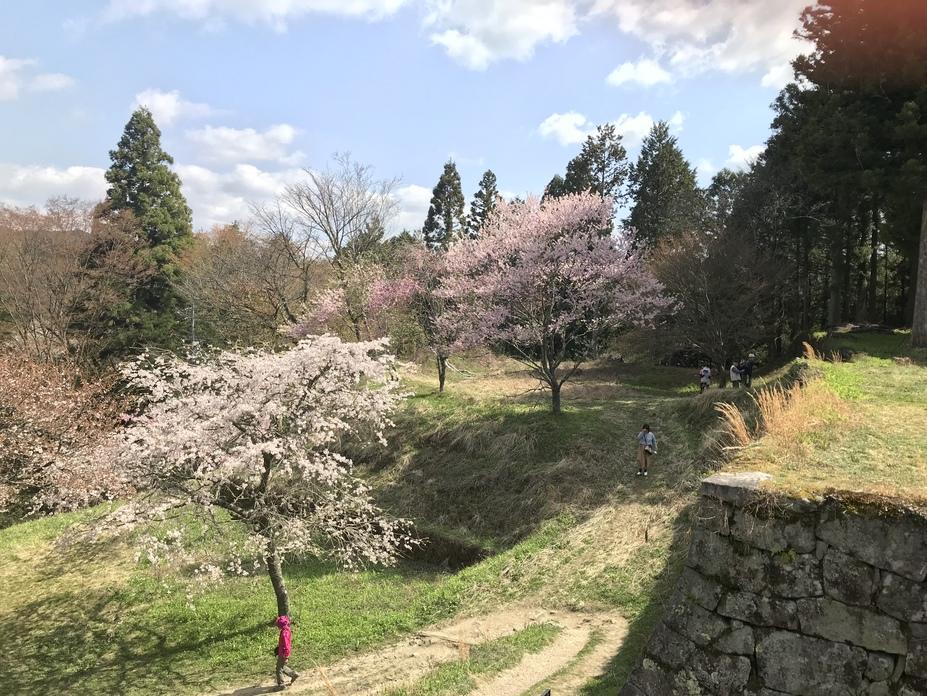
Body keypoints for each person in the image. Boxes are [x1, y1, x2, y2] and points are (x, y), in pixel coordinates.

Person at [274, 615, 300, 689]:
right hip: (284, 651)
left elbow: (285, 643)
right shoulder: (287, 630)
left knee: (278, 669)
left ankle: (281, 685)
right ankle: (293, 674)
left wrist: (284, 653)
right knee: (281, 666)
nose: (277, 626)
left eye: (278, 625)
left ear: (280, 625)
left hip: (283, 652)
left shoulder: (284, 632)